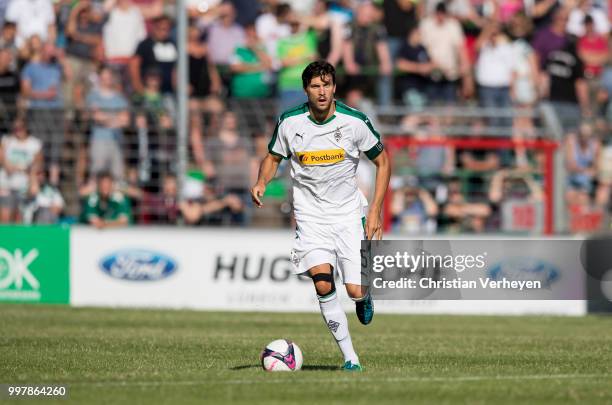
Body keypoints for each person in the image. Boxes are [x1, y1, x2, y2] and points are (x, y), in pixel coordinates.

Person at [251, 61, 390, 371]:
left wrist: (375, 211)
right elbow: (273, 157)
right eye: (315, 86)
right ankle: (351, 359)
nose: (322, 91)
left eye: (326, 85)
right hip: (311, 218)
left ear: (334, 87)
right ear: (306, 90)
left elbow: (383, 161)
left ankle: (363, 297)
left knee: (355, 290)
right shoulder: (290, 122)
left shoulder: (354, 122)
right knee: (323, 284)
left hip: (348, 216)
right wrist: (262, 181)